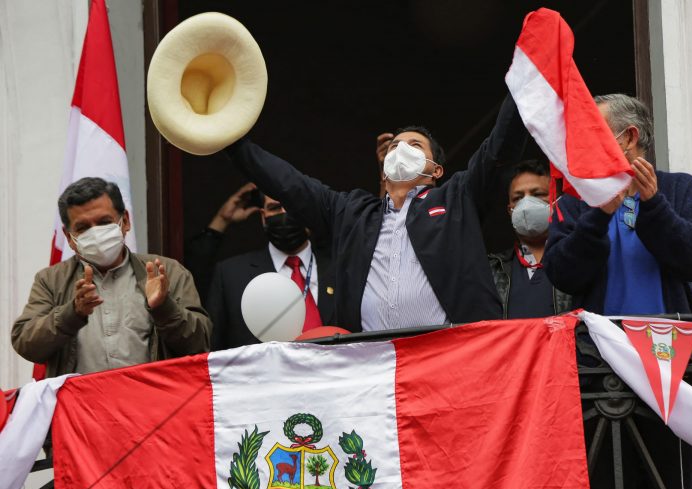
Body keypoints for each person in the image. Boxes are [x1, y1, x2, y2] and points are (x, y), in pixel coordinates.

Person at [225, 92, 526, 332]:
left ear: (436, 170)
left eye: (414, 145)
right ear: (383, 171)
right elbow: (289, 184)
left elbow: (500, 148)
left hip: (449, 357)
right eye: (395, 146)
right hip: (373, 369)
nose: (401, 150)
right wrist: (231, 141)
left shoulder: (457, 197)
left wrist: (524, 80)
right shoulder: (351, 213)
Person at [544, 94, 692, 489]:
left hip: (671, 371)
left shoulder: (679, 189)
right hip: (598, 373)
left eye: (593, 132)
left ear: (629, 137)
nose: (581, 144)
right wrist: (597, 215)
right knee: (604, 487)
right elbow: (563, 274)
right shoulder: (574, 201)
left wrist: (654, 205)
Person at [11, 177, 211, 377]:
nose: (96, 233)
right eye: (83, 228)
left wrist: (164, 307)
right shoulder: (51, 280)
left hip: (150, 403)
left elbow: (200, 344)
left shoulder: (166, 271)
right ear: (69, 238)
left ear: (125, 221)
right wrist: (72, 313)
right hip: (80, 406)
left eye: (104, 222)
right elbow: (26, 343)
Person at [206, 191, 335, 350]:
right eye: (275, 208)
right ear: (263, 217)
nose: (284, 215)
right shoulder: (230, 275)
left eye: (293, 207)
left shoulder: (341, 268)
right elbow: (213, 349)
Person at [487, 160, 571, 318]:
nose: (526, 204)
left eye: (538, 194)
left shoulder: (578, 260)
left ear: (558, 200)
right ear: (510, 210)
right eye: (518, 198)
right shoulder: (493, 269)